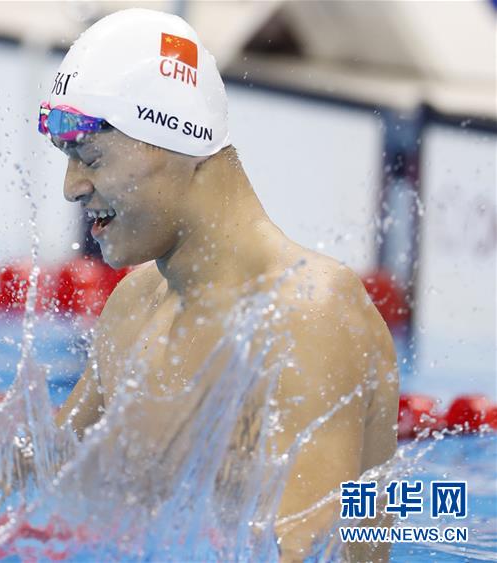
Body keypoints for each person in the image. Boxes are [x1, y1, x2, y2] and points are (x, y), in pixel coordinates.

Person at [41, 9, 398, 561]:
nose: (72, 187)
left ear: (166, 141)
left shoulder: (306, 315)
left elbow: (306, 552)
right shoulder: (134, 306)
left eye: (90, 157)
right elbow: (39, 481)